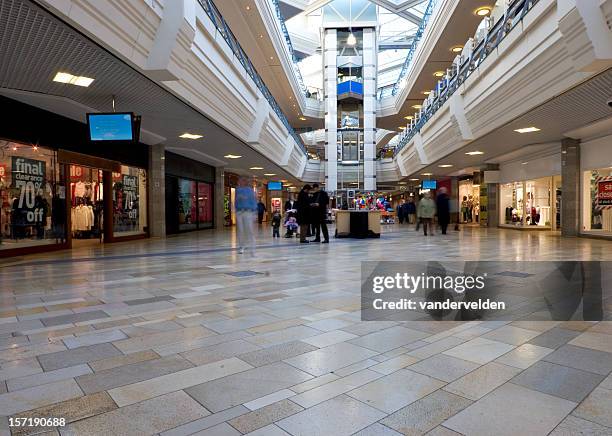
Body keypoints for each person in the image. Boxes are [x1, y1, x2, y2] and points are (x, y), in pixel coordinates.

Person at [235, 177, 257, 254]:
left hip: (248, 212)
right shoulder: (238, 190)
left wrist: (254, 212)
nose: (239, 182)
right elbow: (236, 201)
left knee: (249, 229)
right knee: (240, 230)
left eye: (240, 180)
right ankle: (241, 246)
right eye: (239, 181)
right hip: (239, 212)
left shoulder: (250, 191)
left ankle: (252, 246)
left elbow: (254, 201)